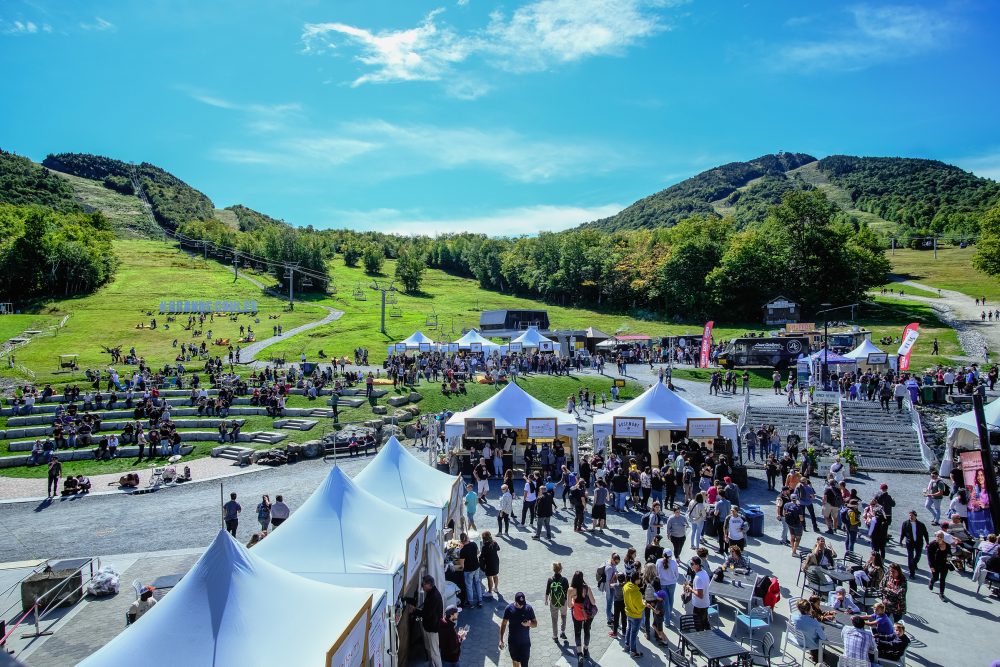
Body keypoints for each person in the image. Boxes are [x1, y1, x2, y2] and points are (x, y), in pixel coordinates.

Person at [499, 592, 537, 667]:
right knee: (515, 661)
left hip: (525, 643)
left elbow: (535, 624)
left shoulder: (528, 608)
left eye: (523, 603)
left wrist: (529, 624)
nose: (521, 605)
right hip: (513, 642)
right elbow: (503, 624)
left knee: (525, 664)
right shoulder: (509, 609)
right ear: (515, 601)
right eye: (520, 603)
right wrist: (501, 640)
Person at [568, 570, 597, 665]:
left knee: (577, 632)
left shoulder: (571, 590)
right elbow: (593, 602)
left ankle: (579, 653)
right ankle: (586, 649)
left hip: (577, 614)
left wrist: (573, 601)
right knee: (587, 630)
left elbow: (569, 605)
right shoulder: (587, 588)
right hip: (587, 615)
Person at [419, 575, 444, 667]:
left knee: (435, 653)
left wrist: (415, 611)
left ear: (429, 585)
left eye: (423, 584)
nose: (422, 586)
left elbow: (427, 613)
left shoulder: (434, 596)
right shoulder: (431, 593)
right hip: (429, 627)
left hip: (433, 628)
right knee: (429, 649)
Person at [791, 598, 826, 663]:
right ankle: (816, 655)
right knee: (821, 634)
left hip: (800, 641)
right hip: (810, 644)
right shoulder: (814, 622)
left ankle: (814, 653)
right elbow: (823, 638)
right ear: (808, 610)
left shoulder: (795, 618)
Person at [898, 509, 930, 579]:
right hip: (910, 543)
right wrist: (900, 541)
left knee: (918, 555)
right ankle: (912, 572)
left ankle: (914, 563)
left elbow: (925, 533)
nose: (911, 517)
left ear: (915, 516)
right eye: (910, 515)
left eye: (912, 515)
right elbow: (902, 533)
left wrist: (927, 542)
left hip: (919, 543)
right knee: (910, 557)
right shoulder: (905, 523)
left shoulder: (921, 524)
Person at [545, 562, 569, 642]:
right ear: (561, 570)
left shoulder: (550, 579)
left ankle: (555, 636)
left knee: (554, 619)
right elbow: (568, 592)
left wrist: (546, 600)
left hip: (553, 602)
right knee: (563, 615)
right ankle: (562, 632)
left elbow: (547, 591)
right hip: (563, 602)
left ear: (553, 570)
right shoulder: (564, 580)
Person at [623, 571, 645, 658]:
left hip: (628, 612)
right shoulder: (637, 593)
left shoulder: (626, 586)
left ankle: (626, 646)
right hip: (636, 615)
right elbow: (640, 607)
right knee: (634, 633)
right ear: (636, 580)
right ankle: (633, 651)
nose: (640, 580)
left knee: (629, 629)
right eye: (639, 578)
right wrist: (644, 603)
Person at [686, 555, 712, 630]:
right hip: (705, 604)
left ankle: (701, 640)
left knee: (699, 627)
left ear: (697, 565)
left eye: (692, 564)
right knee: (706, 624)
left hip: (699, 606)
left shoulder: (698, 578)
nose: (691, 566)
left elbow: (700, 595)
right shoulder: (704, 572)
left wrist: (691, 589)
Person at [458, 532, 483, 608]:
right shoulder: (474, 544)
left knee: (469, 586)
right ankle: (480, 600)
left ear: (461, 541)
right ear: (467, 538)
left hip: (469, 570)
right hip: (476, 567)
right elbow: (478, 553)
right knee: (477, 583)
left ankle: (471, 603)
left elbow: (462, 565)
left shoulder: (463, 551)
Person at [927, 530, 952, 599]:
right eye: (938, 536)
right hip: (935, 565)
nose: (939, 538)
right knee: (936, 578)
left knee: (942, 579)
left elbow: (949, 554)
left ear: (943, 537)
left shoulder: (947, 545)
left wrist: (949, 561)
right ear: (935, 537)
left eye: (941, 536)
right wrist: (931, 566)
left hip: (944, 565)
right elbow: (929, 557)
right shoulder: (932, 545)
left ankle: (941, 593)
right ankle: (932, 581)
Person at [601, 552, 621, 626]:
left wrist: (616, 573)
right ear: (612, 559)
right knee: (609, 605)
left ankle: (610, 615)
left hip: (611, 588)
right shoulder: (609, 568)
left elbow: (615, 570)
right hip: (610, 589)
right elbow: (608, 582)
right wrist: (616, 583)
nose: (616, 564)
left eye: (617, 563)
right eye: (616, 562)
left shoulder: (612, 564)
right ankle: (609, 621)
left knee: (609, 604)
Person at [481, 531, 501, 598]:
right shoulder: (494, 543)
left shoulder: (484, 546)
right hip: (495, 561)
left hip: (489, 563)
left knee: (489, 577)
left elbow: (482, 556)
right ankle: (496, 588)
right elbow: (498, 549)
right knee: (495, 575)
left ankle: (490, 592)